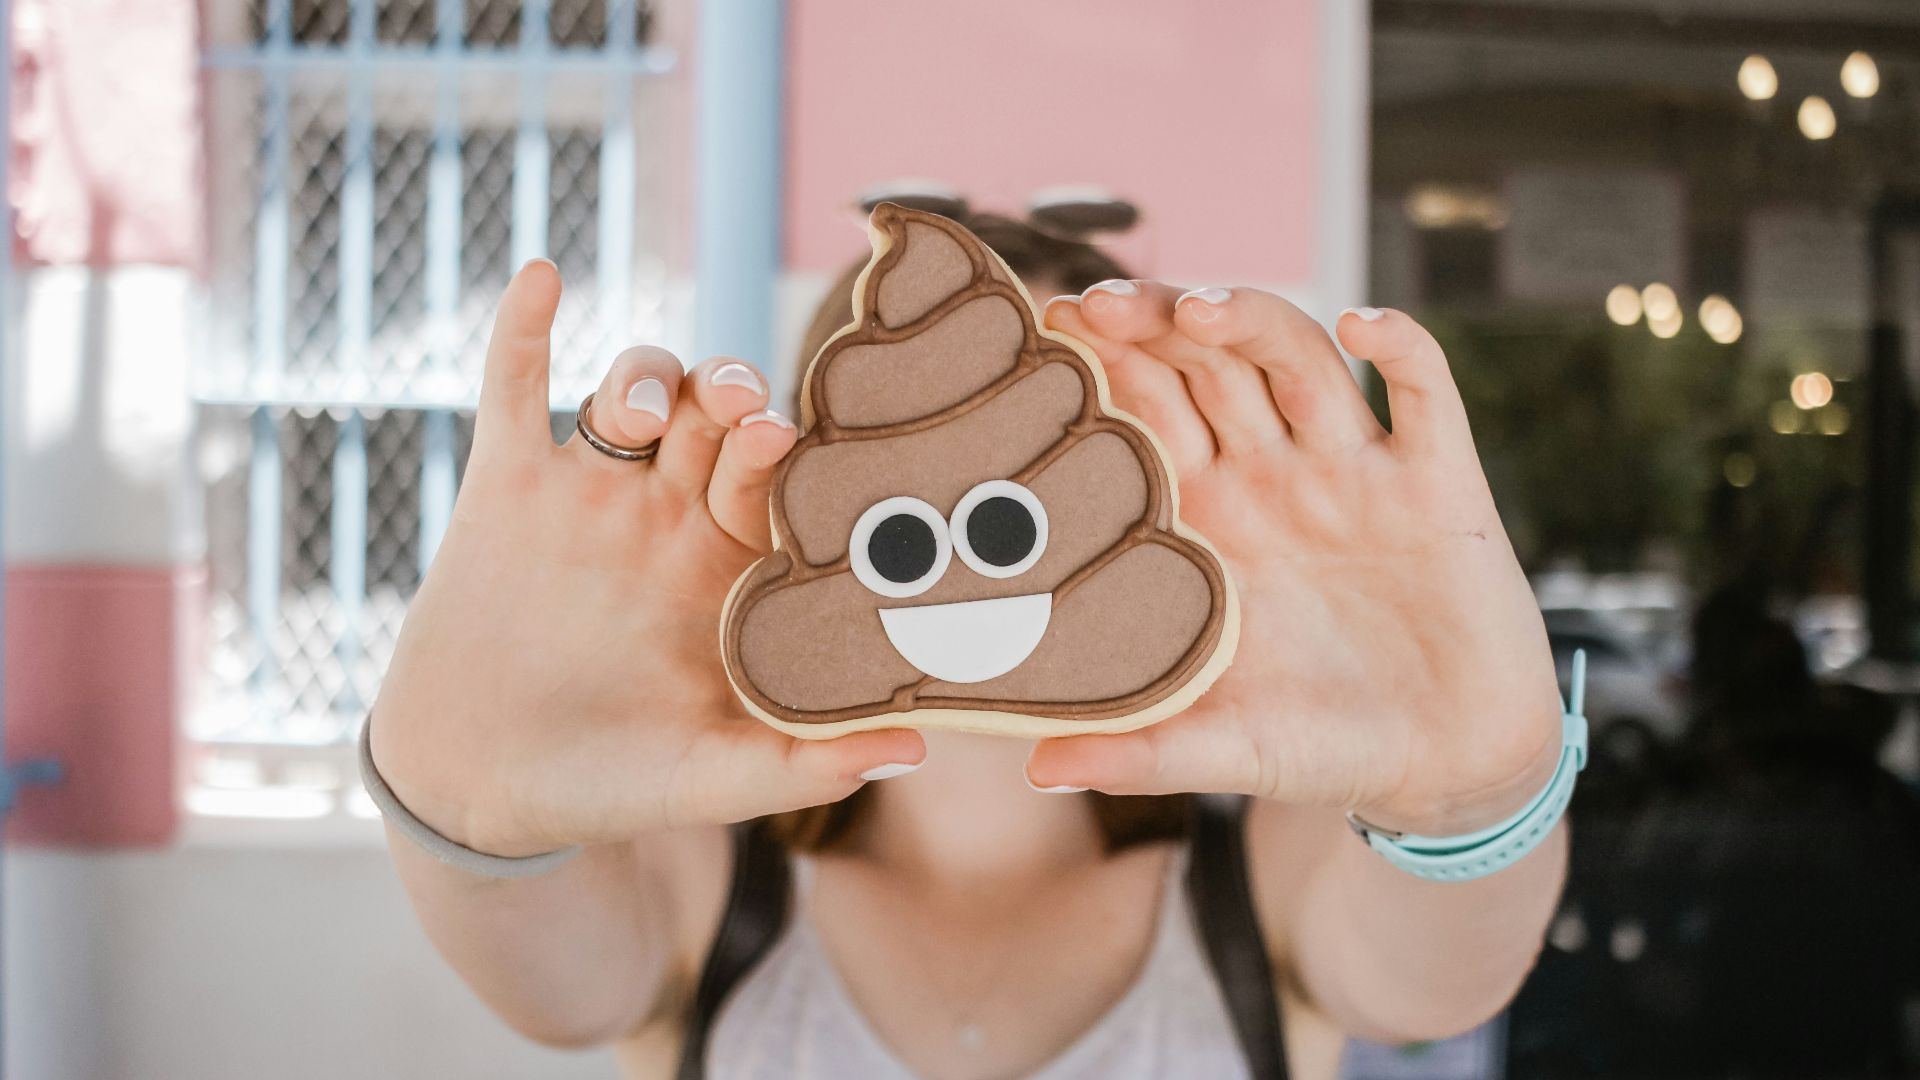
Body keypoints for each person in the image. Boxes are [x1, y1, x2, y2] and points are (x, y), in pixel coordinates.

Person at [366, 210, 1574, 1080]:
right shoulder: (702, 878)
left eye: (1053, 439)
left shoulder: (1263, 871)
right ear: (801, 502)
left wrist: (1478, 793)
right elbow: (555, 987)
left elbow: (1436, 980)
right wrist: (460, 809)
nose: (989, 511)